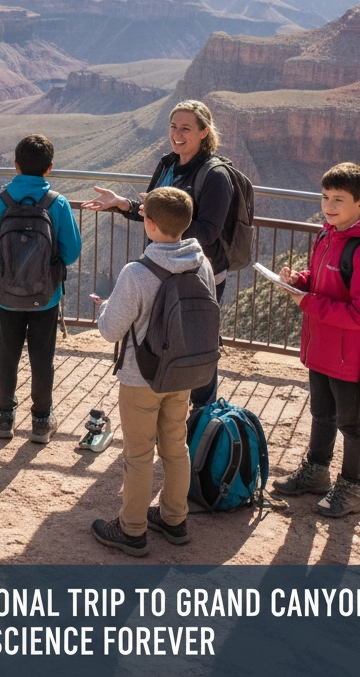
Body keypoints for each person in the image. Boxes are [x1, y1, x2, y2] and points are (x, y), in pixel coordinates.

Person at [81, 99, 232, 408]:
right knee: (159, 341)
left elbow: (208, 231)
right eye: (173, 126)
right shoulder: (167, 164)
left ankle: (203, 416)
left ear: (204, 132)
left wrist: (168, 219)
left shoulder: (215, 176)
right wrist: (123, 204)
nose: (177, 134)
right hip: (159, 271)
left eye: (186, 128)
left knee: (196, 345)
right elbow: (153, 213)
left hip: (196, 274)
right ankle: (161, 405)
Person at [90, 186, 211, 556]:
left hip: (141, 377)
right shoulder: (201, 262)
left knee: (139, 454)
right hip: (182, 372)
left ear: (152, 224)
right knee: (176, 446)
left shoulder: (137, 272)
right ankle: (175, 520)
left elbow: (111, 330)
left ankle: (131, 530)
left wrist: (104, 307)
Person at [272, 162, 360, 518]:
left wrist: (308, 303)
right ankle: (316, 473)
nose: (329, 205)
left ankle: (353, 489)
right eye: (325, 197)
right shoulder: (327, 235)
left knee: (352, 425)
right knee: (322, 414)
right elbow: (325, 280)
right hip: (322, 347)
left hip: (351, 356)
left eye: (339, 199)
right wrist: (300, 280)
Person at [0, 134, 81, 443]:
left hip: (6, 296)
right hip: (45, 298)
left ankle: (4, 417)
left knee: (7, 355)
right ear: (49, 168)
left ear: (16, 165)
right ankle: (41, 420)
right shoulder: (57, 203)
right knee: (42, 358)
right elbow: (71, 253)